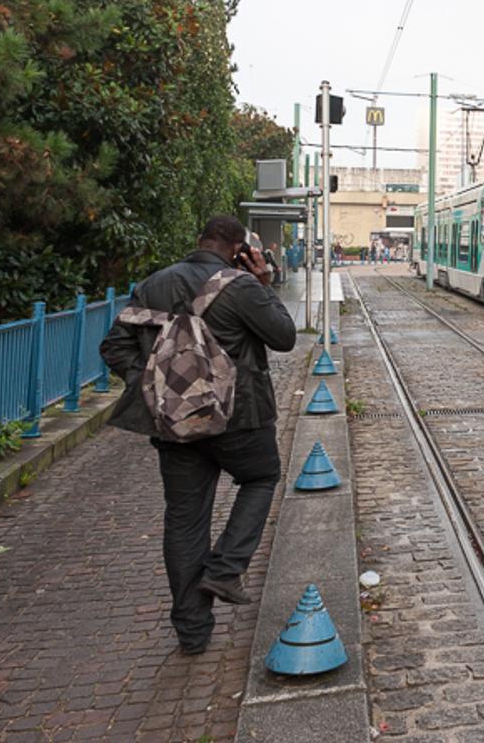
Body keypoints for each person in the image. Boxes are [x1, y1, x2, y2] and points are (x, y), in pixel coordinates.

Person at [100, 216, 297, 656]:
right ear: (240, 249)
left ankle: (192, 630)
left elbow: (114, 345)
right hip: (239, 419)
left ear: (199, 242)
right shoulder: (242, 286)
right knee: (262, 478)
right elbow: (284, 336)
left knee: (185, 520)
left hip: (174, 425)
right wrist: (264, 281)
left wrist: (153, 387)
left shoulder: (153, 284)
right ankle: (226, 568)